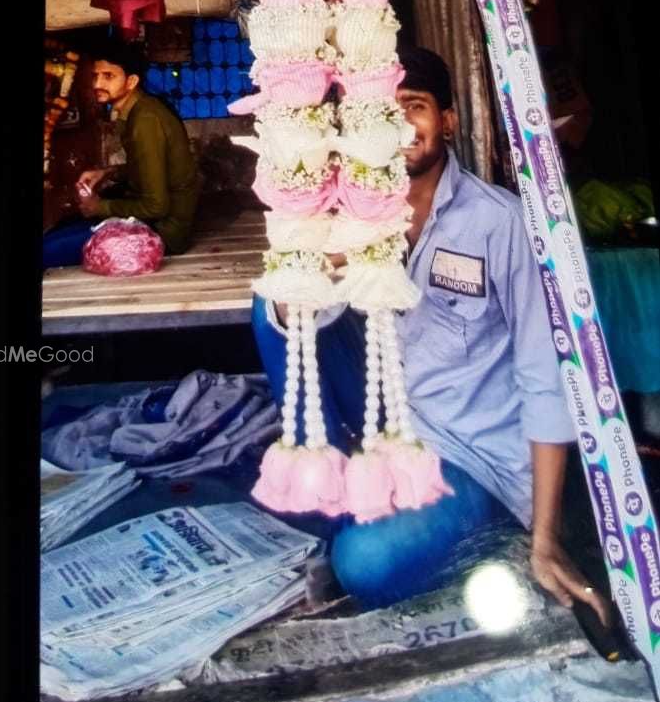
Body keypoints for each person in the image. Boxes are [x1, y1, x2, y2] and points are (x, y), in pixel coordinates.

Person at [252, 44, 611, 626]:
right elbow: (304, 334)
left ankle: (465, 526)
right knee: (275, 294)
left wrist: (545, 535)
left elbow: (547, 381)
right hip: (389, 425)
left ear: (447, 120)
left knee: (365, 563)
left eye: (412, 106)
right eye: (378, 114)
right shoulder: (355, 218)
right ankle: (339, 483)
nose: (396, 129)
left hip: (473, 457)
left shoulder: (502, 224)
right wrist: (319, 266)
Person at [42, 38, 199, 266]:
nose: (97, 84)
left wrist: (100, 207)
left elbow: (157, 206)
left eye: (109, 76)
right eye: (95, 76)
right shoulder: (140, 110)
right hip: (150, 222)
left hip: (163, 235)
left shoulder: (145, 120)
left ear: (131, 81)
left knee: (46, 251)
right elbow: (149, 167)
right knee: (59, 230)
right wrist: (106, 172)